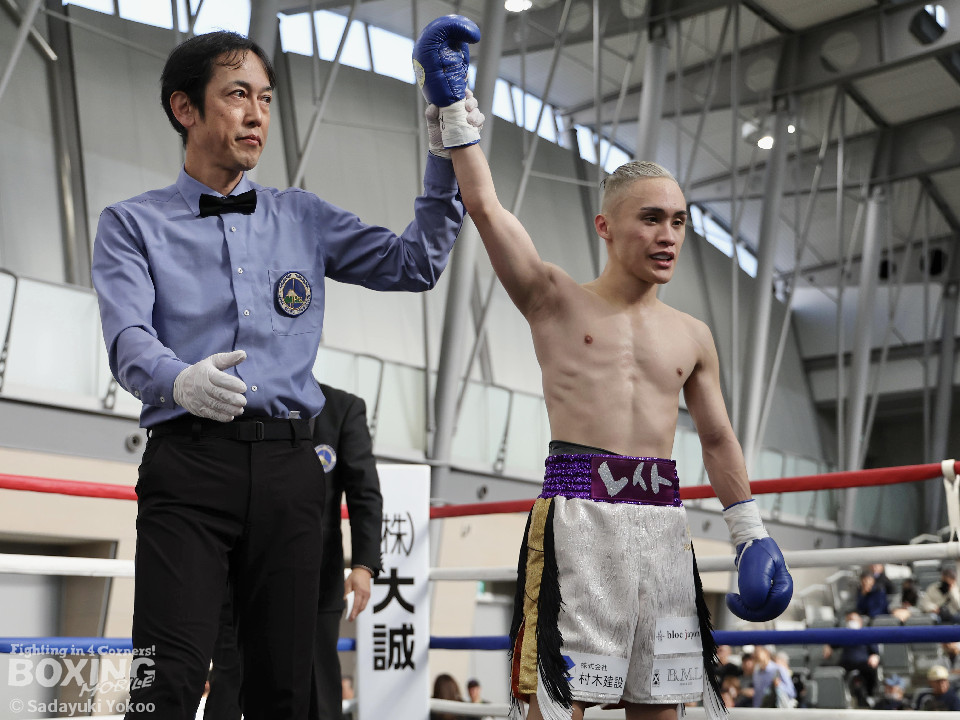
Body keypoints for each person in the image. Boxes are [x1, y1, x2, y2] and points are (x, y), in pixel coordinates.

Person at [412, 15, 793, 720]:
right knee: (558, 708)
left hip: (664, 528)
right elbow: (486, 208)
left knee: (662, 707)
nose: (668, 235)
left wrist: (749, 530)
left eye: (678, 221)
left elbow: (717, 439)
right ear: (606, 226)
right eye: (651, 218)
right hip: (577, 519)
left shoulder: (693, 335)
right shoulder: (554, 300)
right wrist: (452, 109)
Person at [92, 30, 466, 720]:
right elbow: (128, 338)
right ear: (185, 108)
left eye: (265, 99)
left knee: (287, 691)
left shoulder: (303, 216)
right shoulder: (131, 224)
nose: (257, 114)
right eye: (237, 95)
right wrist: (178, 380)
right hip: (189, 466)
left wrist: (446, 148)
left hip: (293, 471)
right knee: (164, 681)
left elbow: (414, 264)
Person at [203, 384, 384, 720]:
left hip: (317, 577)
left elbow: (365, 492)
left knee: (318, 686)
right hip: (239, 567)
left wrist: (363, 565)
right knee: (231, 674)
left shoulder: (342, 408)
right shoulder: (245, 396)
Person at [822, 610, 880, 707]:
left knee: (871, 671)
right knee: (827, 669)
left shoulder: (867, 634)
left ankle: (869, 696)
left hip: (863, 663)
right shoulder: (844, 635)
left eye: (853, 619)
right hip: (846, 663)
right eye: (849, 620)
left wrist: (875, 657)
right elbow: (832, 644)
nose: (851, 622)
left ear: (860, 621)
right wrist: (828, 646)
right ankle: (835, 698)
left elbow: (874, 652)